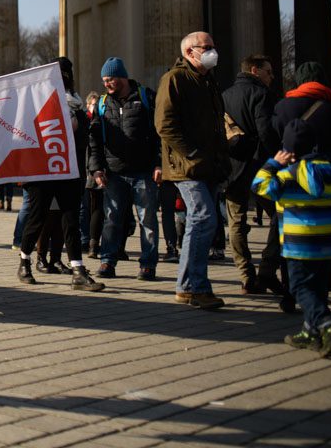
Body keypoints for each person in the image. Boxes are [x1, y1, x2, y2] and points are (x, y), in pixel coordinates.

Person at [253, 119, 331, 357]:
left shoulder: (290, 174)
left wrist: (272, 163)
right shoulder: (329, 170)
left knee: (299, 287)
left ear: (288, 149)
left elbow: (259, 186)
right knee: (317, 289)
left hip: (300, 245)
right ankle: (311, 332)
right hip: (327, 243)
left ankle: (327, 324)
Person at [155, 31, 229, 310]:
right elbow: (164, 124)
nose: (212, 51)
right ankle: (191, 286)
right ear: (189, 52)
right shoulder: (174, 79)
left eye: (213, 46)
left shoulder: (208, 80)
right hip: (187, 166)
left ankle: (193, 286)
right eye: (206, 47)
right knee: (203, 217)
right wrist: (192, 153)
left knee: (205, 222)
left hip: (209, 165)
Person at [17, 57, 104, 292]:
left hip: (69, 170)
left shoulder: (76, 103)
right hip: (43, 172)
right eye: (59, 73)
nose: (64, 78)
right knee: (37, 219)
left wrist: (79, 125)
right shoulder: (38, 102)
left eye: (66, 74)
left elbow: (85, 138)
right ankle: (25, 261)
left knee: (71, 221)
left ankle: (78, 270)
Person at [87, 57, 161, 281]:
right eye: (104, 81)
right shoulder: (102, 104)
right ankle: (107, 261)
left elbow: (160, 133)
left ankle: (148, 265)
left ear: (122, 77)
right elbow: (94, 140)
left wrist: (159, 163)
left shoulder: (146, 97)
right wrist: (96, 169)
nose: (107, 84)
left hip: (144, 171)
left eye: (110, 80)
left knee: (147, 220)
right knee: (112, 219)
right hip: (114, 173)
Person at [221, 54, 282, 295]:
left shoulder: (225, 95)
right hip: (260, 168)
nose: (272, 77)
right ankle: (267, 270)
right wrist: (276, 159)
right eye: (269, 72)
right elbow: (266, 131)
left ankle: (246, 276)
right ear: (255, 71)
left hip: (233, 169)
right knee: (280, 215)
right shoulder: (262, 94)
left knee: (236, 222)